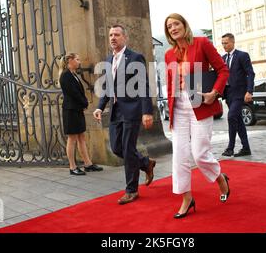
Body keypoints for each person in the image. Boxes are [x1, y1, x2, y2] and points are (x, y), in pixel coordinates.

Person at [164, 13, 230, 219]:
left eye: (176, 24)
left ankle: (220, 178)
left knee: (200, 154)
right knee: (180, 156)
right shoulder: (168, 54)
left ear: (184, 25)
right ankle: (187, 198)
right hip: (179, 106)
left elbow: (223, 70)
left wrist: (215, 93)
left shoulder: (202, 44)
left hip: (200, 103)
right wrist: (170, 112)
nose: (173, 28)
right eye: (169, 26)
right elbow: (171, 84)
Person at [93, 25, 155, 205]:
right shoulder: (108, 59)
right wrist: (100, 107)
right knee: (116, 148)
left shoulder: (135, 58)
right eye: (111, 34)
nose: (113, 37)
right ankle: (145, 163)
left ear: (124, 38)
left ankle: (131, 190)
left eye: (117, 35)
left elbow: (143, 85)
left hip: (132, 110)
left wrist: (147, 111)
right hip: (115, 110)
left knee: (128, 150)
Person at [59, 53, 103, 175]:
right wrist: (85, 103)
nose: (79, 62)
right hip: (70, 111)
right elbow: (74, 94)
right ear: (70, 61)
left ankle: (87, 164)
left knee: (81, 137)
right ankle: (72, 167)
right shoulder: (66, 75)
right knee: (72, 138)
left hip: (76, 110)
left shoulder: (74, 75)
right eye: (77, 59)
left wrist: (83, 104)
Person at [221, 33, 255, 157]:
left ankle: (230, 147)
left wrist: (249, 91)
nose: (224, 45)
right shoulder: (222, 58)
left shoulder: (242, 55)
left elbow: (250, 73)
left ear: (233, 42)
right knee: (238, 120)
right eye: (222, 43)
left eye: (226, 43)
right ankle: (246, 148)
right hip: (228, 94)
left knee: (231, 117)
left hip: (240, 93)